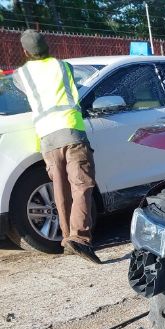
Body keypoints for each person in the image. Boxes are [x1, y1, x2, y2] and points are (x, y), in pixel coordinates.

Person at [13, 29, 100, 264]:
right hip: (71, 131)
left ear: (25, 52)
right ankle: (79, 238)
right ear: (48, 46)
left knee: (60, 189)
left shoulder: (21, 75)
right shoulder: (63, 67)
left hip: (47, 138)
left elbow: (18, 84)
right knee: (81, 185)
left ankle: (67, 238)